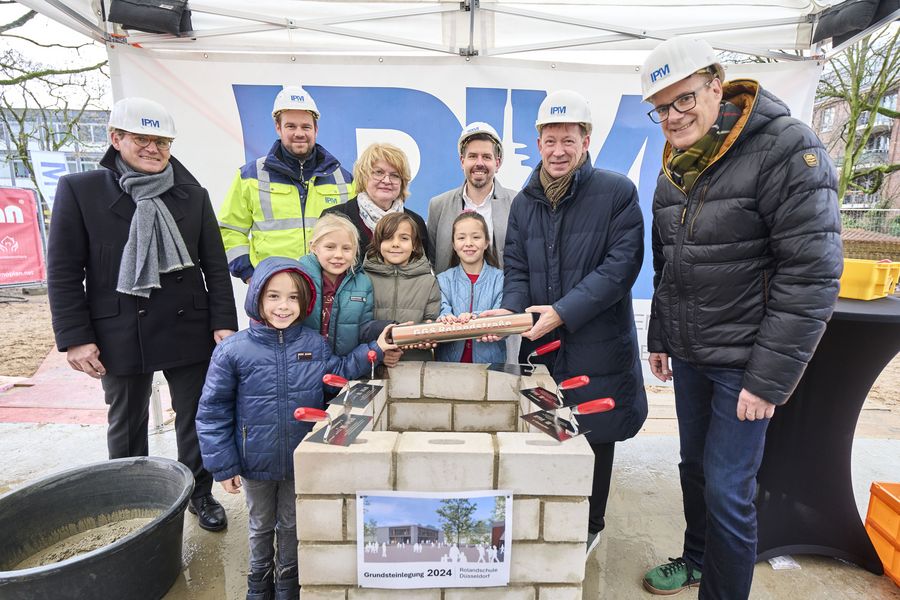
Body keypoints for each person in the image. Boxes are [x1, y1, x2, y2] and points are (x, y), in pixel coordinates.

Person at [639, 37, 842, 598]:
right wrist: (661, 335)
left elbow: (813, 273)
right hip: (690, 354)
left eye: (682, 100)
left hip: (744, 364)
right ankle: (697, 557)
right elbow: (669, 264)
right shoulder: (675, 167)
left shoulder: (785, 148)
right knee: (694, 469)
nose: (672, 117)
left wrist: (765, 380)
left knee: (729, 492)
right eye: (660, 108)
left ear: (716, 86)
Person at [47, 97, 238, 532]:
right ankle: (133, 501)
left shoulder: (193, 194)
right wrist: (75, 337)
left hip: (188, 323)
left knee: (195, 416)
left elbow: (214, 264)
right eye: (142, 139)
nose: (153, 149)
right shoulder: (81, 191)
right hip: (117, 330)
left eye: (162, 141)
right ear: (116, 139)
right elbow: (62, 270)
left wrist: (223, 322)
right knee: (127, 420)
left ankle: (198, 493)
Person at [481, 89, 648, 558]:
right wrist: (515, 312)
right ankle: (550, 515)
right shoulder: (526, 202)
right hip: (542, 343)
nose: (558, 150)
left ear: (586, 141)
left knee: (597, 434)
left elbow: (620, 267)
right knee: (547, 430)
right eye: (549, 140)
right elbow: (516, 267)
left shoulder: (616, 192)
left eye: (568, 140)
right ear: (537, 143)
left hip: (598, 343)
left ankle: (591, 523)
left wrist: (562, 311)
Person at [197, 256, 396, 600]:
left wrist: (374, 350)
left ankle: (288, 585)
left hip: (299, 458)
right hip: (254, 461)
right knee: (260, 526)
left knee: (291, 525)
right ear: (257, 296)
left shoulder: (313, 345)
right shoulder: (233, 351)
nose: (283, 306)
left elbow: (341, 373)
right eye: (274, 296)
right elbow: (212, 412)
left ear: (304, 302)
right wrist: (223, 465)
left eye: (292, 297)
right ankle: (258, 586)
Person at [219, 85, 354, 282]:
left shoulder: (343, 178)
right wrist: (250, 274)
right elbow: (231, 230)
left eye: (306, 127)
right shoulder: (250, 176)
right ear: (278, 127)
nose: (299, 133)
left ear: (315, 129)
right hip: (272, 289)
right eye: (291, 126)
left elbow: (355, 234)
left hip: (327, 289)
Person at [298, 213, 402, 367]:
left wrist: (388, 333)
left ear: (355, 251)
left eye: (346, 248)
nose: (339, 255)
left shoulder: (362, 282)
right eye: (330, 247)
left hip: (344, 366)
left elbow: (362, 328)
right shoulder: (299, 276)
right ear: (314, 247)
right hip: (303, 365)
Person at [426, 122, 516, 274]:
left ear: (498, 162)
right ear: (462, 161)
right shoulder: (438, 206)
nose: (479, 163)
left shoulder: (517, 203)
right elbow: (434, 260)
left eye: (486, 157)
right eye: (473, 156)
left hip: (503, 296)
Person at [322, 142, 429, 265]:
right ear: (363, 176)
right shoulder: (335, 217)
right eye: (378, 172)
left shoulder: (416, 222)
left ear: (402, 182)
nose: (387, 180)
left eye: (394, 175)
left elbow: (422, 268)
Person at [363, 212, 441, 361]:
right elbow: (357, 327)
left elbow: (432, 320)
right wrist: (379, 352)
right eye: (388, 238)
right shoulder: (363, 279)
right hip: (372, 364)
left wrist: (427, 338)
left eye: (404, 238)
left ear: (415, 245)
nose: (395, 244)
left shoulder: (428, 282)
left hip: (416, 365)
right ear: (378, 243)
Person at [435, 211, 505, 364]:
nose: (468, 243)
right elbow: (442, 308)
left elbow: (503, 316)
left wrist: (476, 318)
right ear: (453, 244)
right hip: (448, 365)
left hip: (491, 364)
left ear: (486, 242)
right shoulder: (442, 280)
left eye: (476, 237)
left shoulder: (500, 279)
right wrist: (446, 317)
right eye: (461, 238)